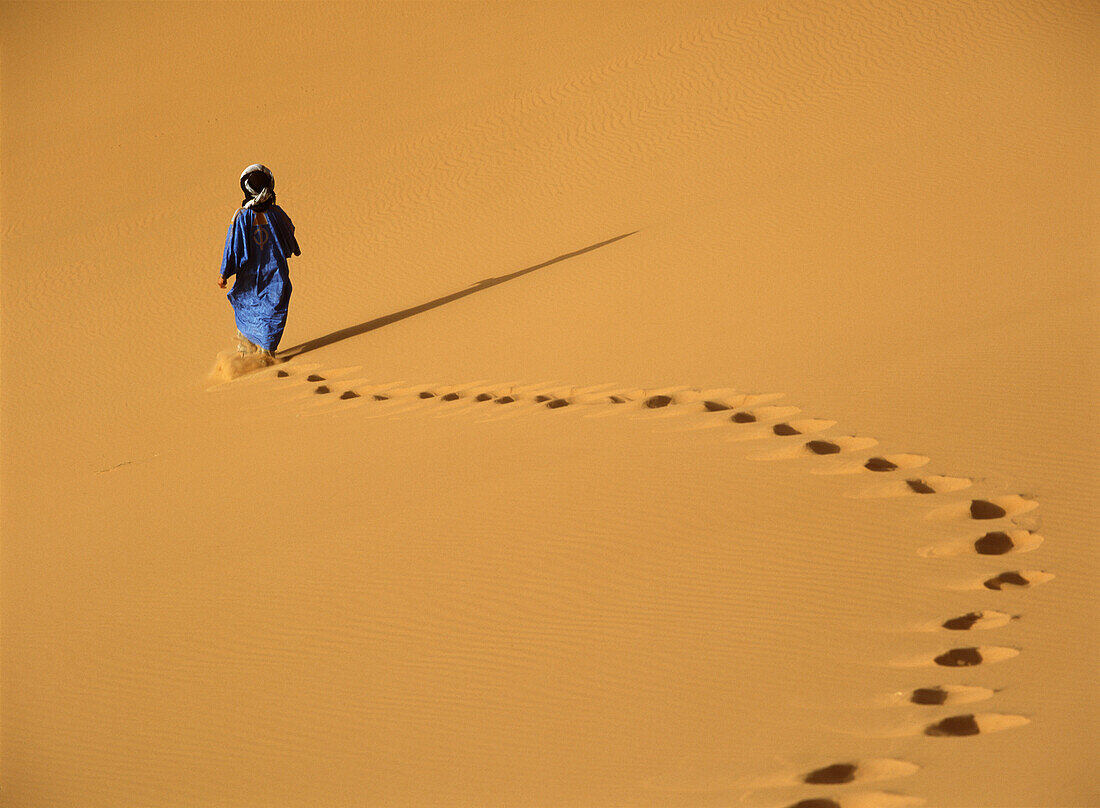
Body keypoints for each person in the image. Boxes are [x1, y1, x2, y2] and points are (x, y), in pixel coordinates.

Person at [219, 164, 301, 359]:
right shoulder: (277, 213)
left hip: (251, 275)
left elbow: (232, 247)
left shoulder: (241, 216)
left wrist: (224, 273)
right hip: (276, 275)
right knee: (271, 311)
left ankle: (250, 355)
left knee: (249, 308)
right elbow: (290, 233)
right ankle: (264, 353)